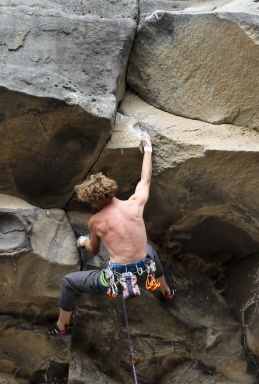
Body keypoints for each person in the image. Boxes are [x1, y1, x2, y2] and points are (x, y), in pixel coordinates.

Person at [49, 130, 175, 335]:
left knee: (69, 282)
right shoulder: (136, 203)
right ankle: (165, 290)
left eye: (91, 201)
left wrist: (82, 241)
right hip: (144, 268)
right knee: (148, 249)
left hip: (117, 279)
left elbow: (92, 249)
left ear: (96, 200)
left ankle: (62, 325)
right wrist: (148, 150)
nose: (91, 204)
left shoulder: (96, 221)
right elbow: (145, 179)